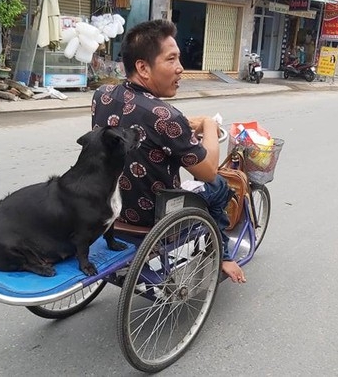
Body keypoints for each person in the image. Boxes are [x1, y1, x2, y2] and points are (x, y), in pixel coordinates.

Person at [91, 19, 246, 284]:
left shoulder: (103, 94)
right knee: (220, 186)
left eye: (179, 59)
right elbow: (208, 171)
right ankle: (224, 253)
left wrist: (181, 133)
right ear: (143, 67)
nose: (180, 68)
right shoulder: (165, 116)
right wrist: (208, 124)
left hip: (107, 204)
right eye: (171, 59)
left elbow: (141, 132)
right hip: (151, 218)